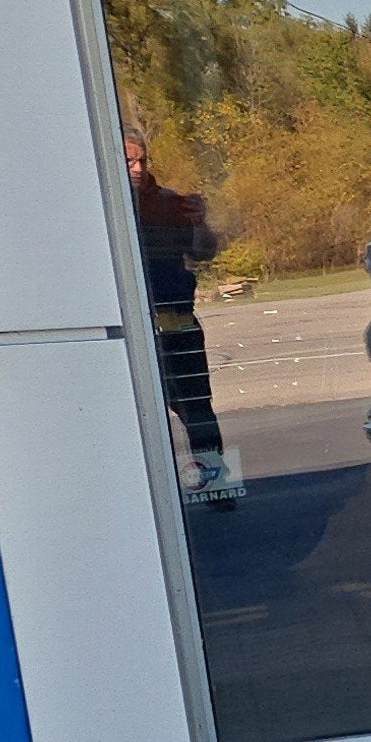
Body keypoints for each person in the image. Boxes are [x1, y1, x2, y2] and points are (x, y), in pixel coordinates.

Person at [123, 127, 240, 507]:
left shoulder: (169, 202)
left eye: (142, 160)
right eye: (129, 161)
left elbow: (205, 251)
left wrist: (199, 222)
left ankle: (215, 486)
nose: (138, 168)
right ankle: (144, 499)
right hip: (129, 327)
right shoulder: (99, 205)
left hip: (176, 320)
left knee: (196, 407)